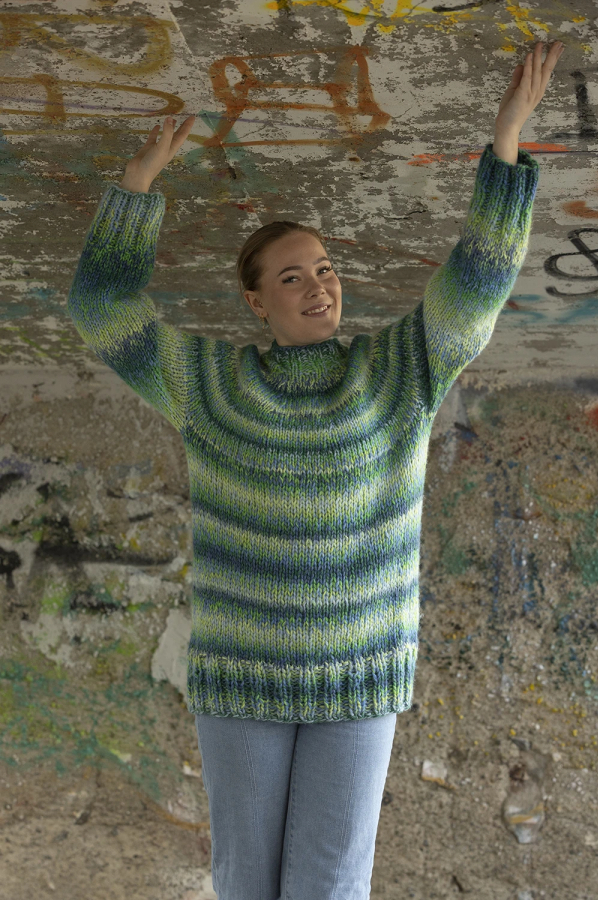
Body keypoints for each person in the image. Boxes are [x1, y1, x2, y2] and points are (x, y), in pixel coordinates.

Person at [67, 41, 564, 900]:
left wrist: (506, 141)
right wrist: (137, 185)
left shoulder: (401, 371)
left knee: (329, 887)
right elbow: (101, 308)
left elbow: (477, 285)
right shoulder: (210, 386)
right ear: (255, 300)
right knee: (246, 882)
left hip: (359, 679)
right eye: (293, 276)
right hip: (241, 678)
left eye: (326, 270)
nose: (319, 286)